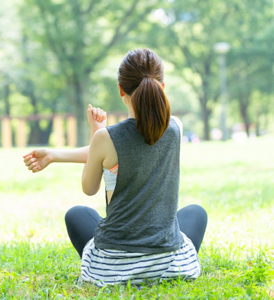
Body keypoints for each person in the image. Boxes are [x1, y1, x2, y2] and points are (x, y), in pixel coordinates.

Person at [23, 48, 207, 286]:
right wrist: (54, 155)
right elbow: (119, 152)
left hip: (111, 270)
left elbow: (90, 186)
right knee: (195, 213)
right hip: (171, 266)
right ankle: (161, 265)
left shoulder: (105, 138)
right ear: (162, 87)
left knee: (77, 214)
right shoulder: (175, 128)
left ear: (121, 89)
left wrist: (96, 131)